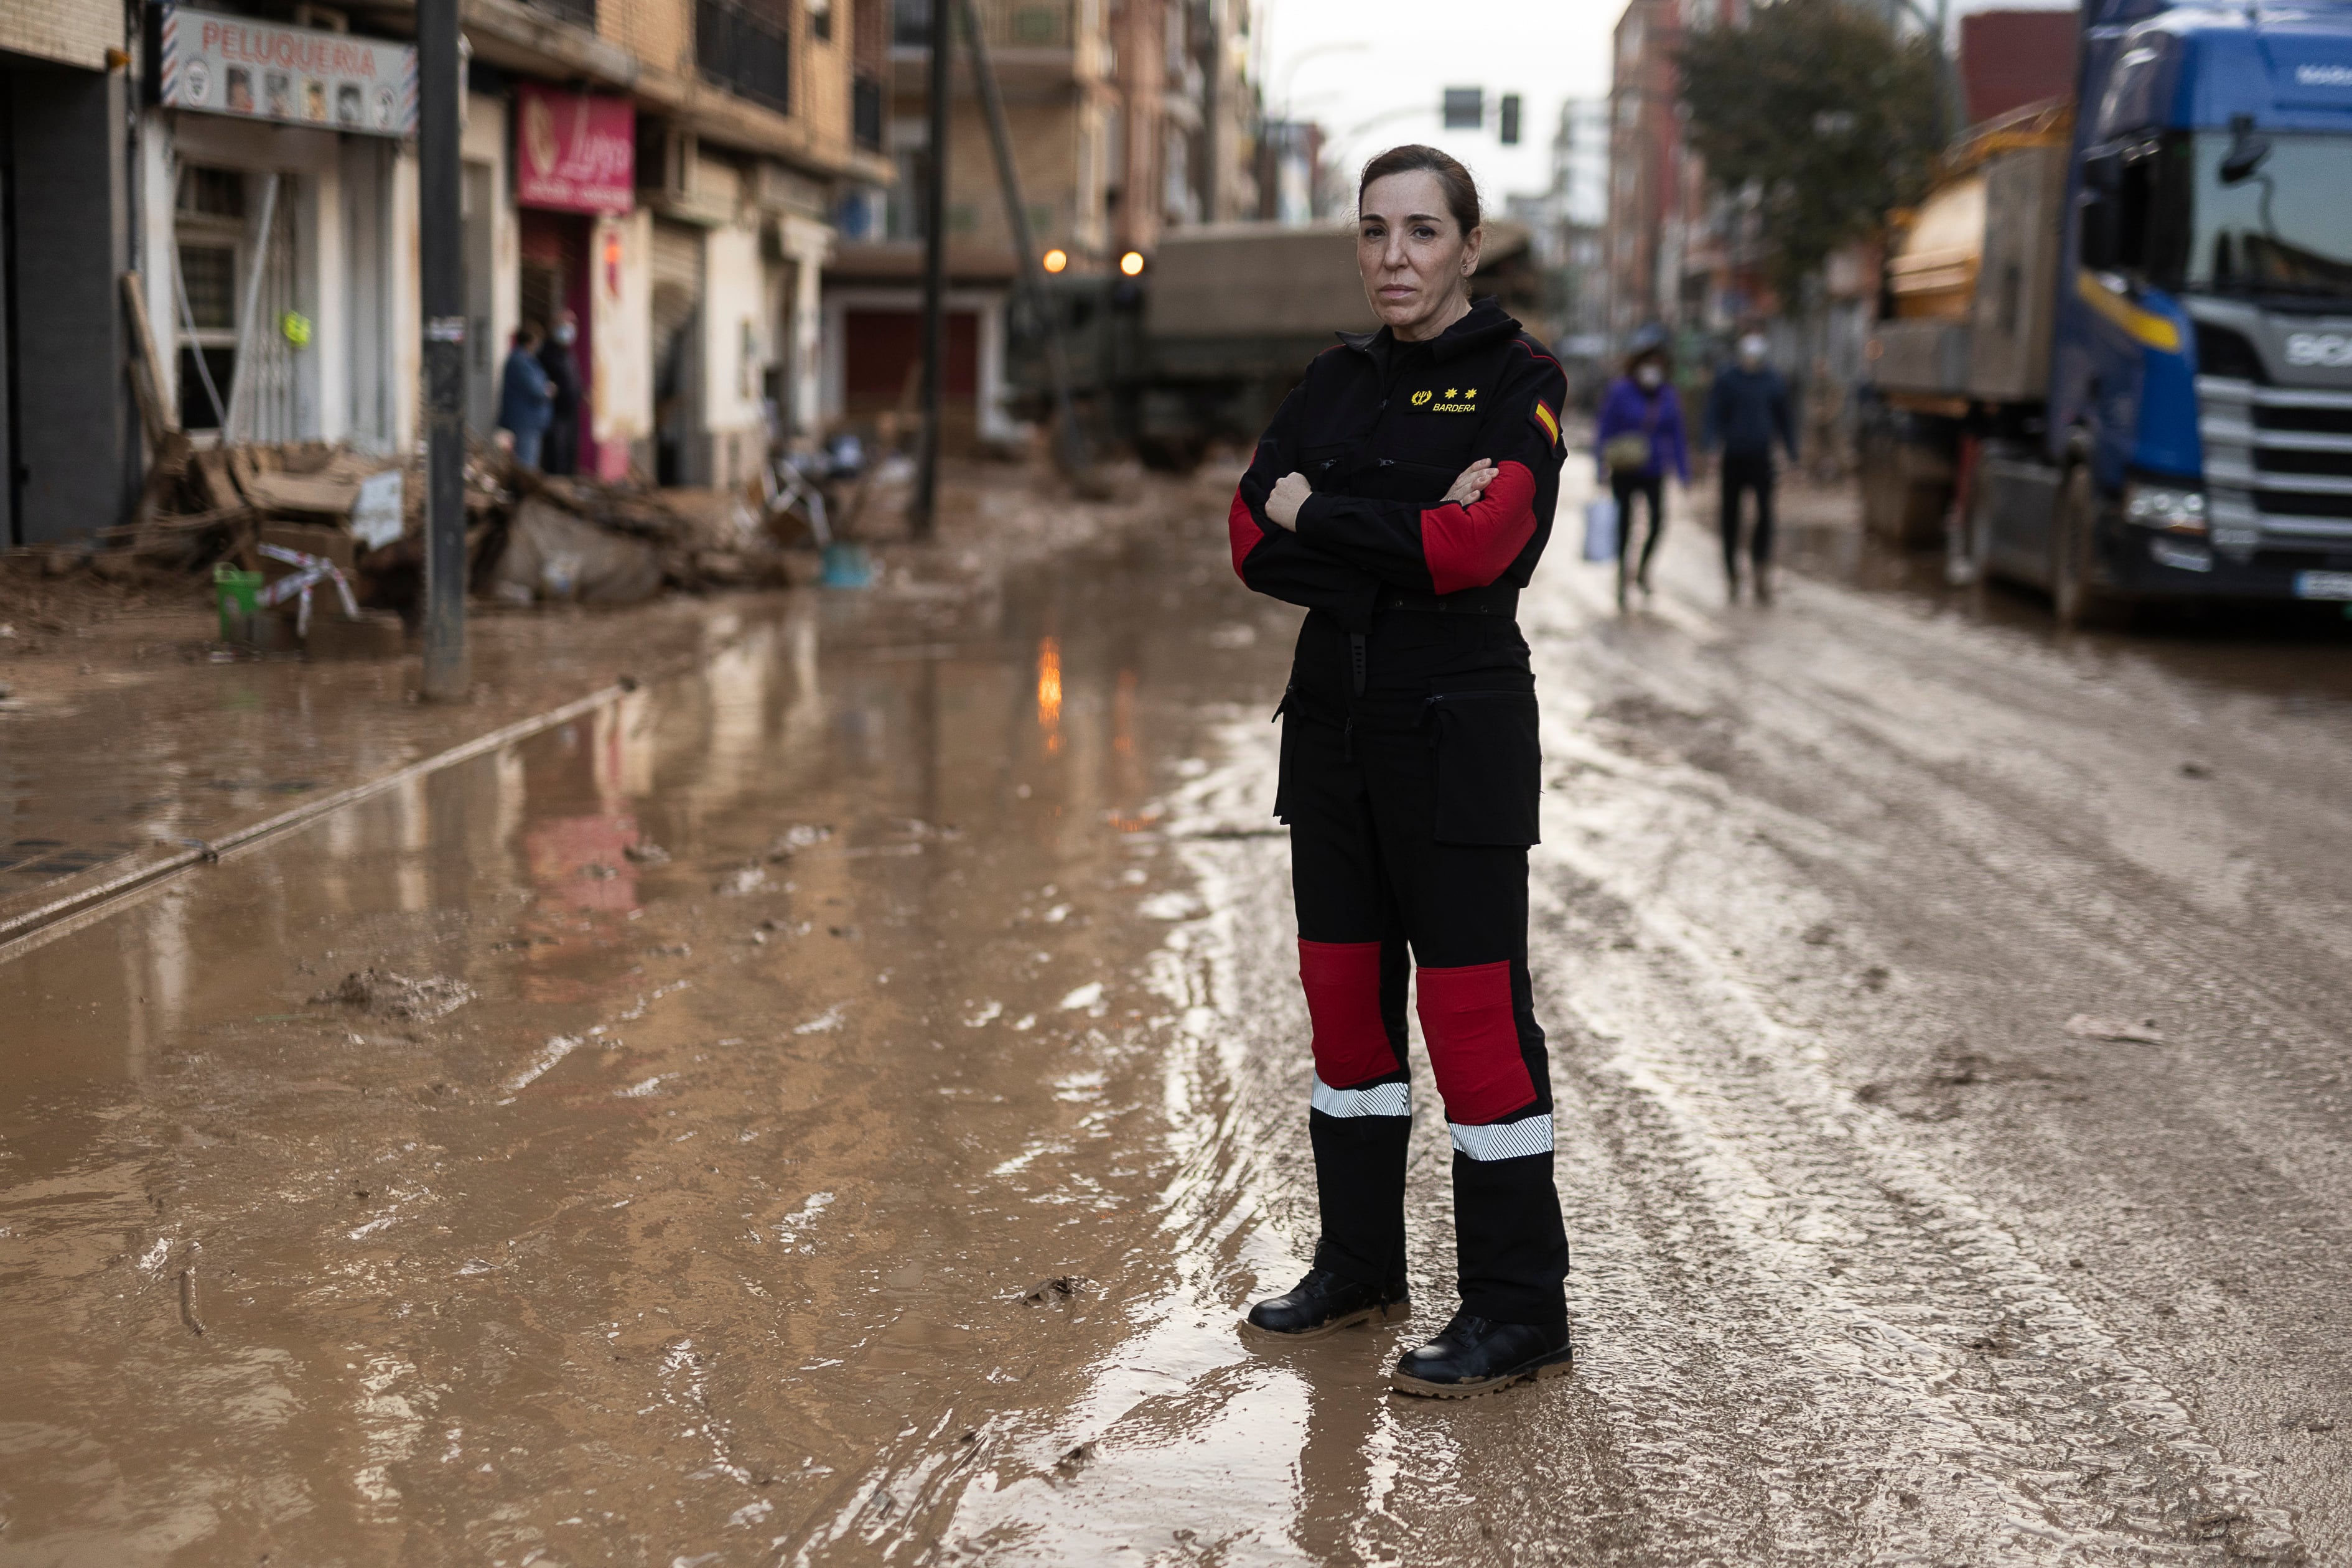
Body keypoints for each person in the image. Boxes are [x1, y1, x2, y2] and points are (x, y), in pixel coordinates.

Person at [1227, 144, 1574, 1397]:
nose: (1393, 256)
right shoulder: (1331, 377)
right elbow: (1243, 534)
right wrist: (1402, 535)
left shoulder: (1520, 378)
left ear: (1469, 249)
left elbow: (1483, 546)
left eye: (1422, 232)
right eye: (1375, 231)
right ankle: (1361, 1266)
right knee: (1343, 1006)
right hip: (1331, 732)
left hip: (1460, 732)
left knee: (1474, 1020)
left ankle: (1519, 1309)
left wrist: (1319, 514)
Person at [1593, 331, 1689, 607]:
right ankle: (1623, 576)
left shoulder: (1668, 395)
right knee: (1625, 524)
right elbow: (1605, 429)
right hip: (1624, 468)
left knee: (1658, 521)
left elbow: (1677, 434)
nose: (1653, 370)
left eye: (1659, 364)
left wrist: (1683, 471)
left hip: (1655, 469)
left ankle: (1643, 570)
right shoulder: (1620, 391)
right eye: (1649, 363)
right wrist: (1600, 466)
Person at [1703, 329, 1798, 603]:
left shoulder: (1773, 381)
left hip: (1761, 456)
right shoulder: (1727, 379)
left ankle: (1760, 568)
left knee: (1765, 514)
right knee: (1730, 516)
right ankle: (1732, 570)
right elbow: (1714, 414)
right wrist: (1711, 447)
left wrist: (1793, 455)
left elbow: (1785, 420)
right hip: (1734, 457)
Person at [498, 325, 554, 471]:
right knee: (526, 464)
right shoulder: (520, 362)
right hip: (525, 420)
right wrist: (548, 390)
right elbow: (537, 389)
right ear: (531, 342)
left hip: (529, 419)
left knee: (528, 461)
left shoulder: (525, 361)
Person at [539, 310, 585, 476]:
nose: (568, 330)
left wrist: (581, 393)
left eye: (571, 326)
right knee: (555, 454)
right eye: (563, 325)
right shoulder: (546, 352)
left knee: (569, 452)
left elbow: (572, 379)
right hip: (554, 412)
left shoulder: (568, 353)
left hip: (571, 411)